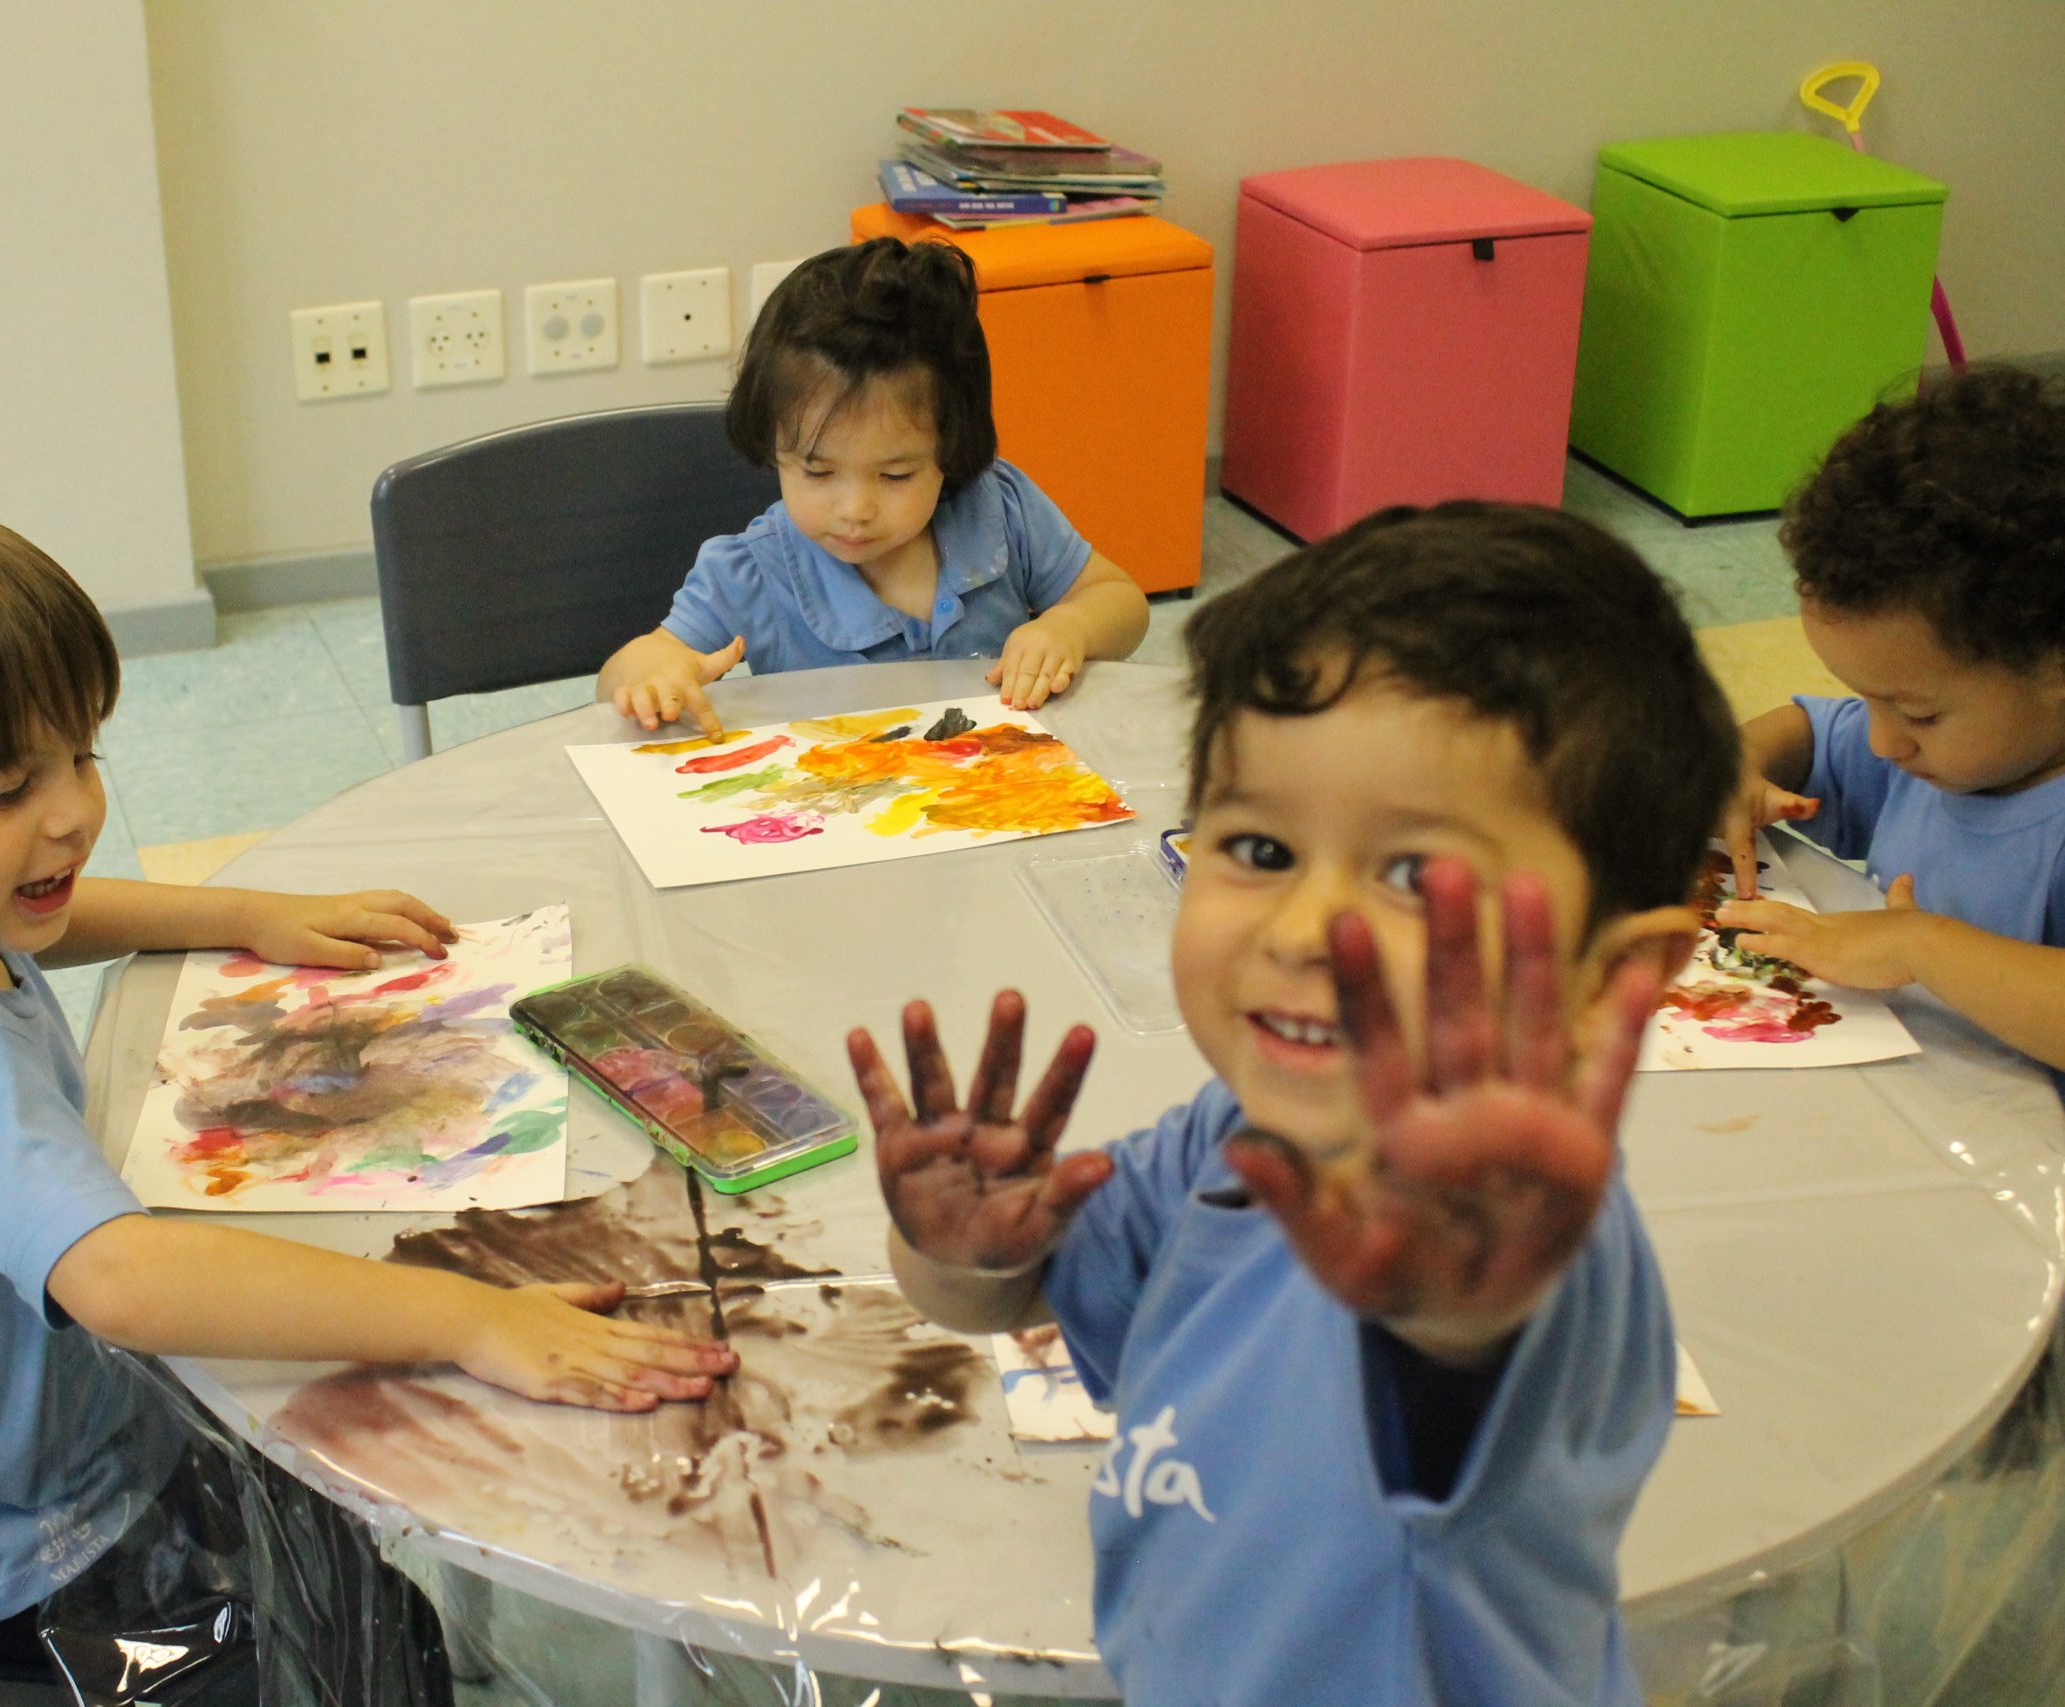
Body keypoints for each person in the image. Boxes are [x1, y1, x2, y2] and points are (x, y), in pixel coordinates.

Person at [0, 492, 737, 1682]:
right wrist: (471, 1318)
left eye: (80, 756)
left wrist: (247, 914)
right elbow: (127, 1283)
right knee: (373, 1660)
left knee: (366, 1595)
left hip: (65, 1463)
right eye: (5, 792)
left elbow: (56, 915)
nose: (74, 813)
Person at [845, 504, 1734, 1705]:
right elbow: (1019, 1294)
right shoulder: (1230, 1140)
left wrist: (1448, 1317)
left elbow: (1455, 1352)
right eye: (1258, 849)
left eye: (1414, 874)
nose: (1305, 928)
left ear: (1614, 977)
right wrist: (955, 1250)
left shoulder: (1515, 1244)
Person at [596, 237, 1148, 736]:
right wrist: (652, 672)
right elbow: (625, 675)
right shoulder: (753, 572)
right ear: (773, 449)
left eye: (894, 476)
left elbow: (1121, 602)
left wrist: (1070, 626)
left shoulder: (1000, 509)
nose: (855, 509)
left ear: (951, 450)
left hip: (1000, 798)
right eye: (817, 472)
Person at [1718, 365, 2065, 1089]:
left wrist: (1919, 944)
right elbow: (1809, 735)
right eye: (1867, 699)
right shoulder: (1943, 755)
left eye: (1916, 713)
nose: (1881, 742)